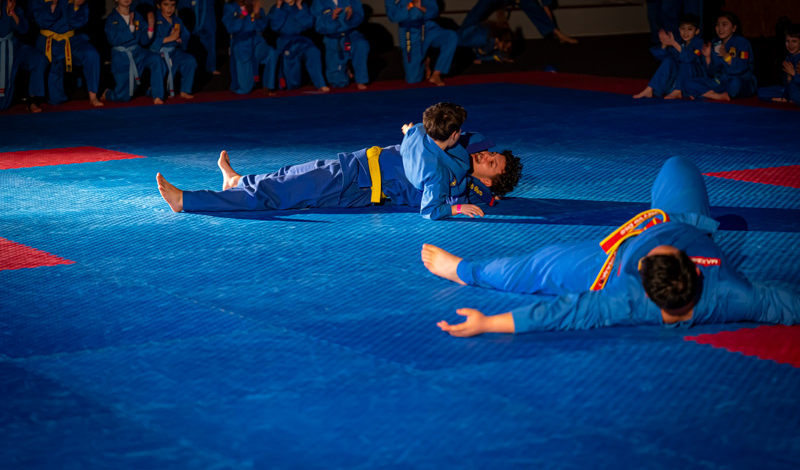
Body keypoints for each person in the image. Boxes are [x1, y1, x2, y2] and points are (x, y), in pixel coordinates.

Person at [424, 156, 800, 336]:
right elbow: (786, 304)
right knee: (678, 165)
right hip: (682, 221)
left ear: (642, 283)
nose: (663, 246)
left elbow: (561, 313)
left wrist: (487, 323)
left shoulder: (624, 298)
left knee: (538, 265)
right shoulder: (734, 294)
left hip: (609, 260)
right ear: (695, 271)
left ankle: (462, 270)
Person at [155, 134, 521, 214]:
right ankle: (236, 182)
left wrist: (461, 205)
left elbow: (437, 203)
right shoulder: (457, 156)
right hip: (359, 175)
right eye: (492, 154)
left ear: (487, 180)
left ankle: (187, 201)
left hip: (357, 180)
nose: (486, 155)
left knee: (282, 190)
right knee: (288, 178)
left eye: (492, 163)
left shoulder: (456, 184)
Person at [30, 0, 103, 107]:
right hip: (49, 42)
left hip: (71, 40)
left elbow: (80, 21)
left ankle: (93, 95)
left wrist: (75, 6)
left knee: (91, 54)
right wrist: (52, 7)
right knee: (56, 100)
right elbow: (40, 20)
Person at [385, 0, 457, 86]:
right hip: (409, 32)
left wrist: (421, 7)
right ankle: (425, 61)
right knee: (412, 79)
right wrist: (410, 5)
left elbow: (433, 10)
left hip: (426, 27)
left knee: (451, 36)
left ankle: (436, 74)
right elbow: (393, 16)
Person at [102, 0, 165, 104]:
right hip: (122, 57)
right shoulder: (111, 19)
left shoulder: (137, 16)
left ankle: (157, 95)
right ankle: (108, 93)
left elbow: (144, 40)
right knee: (123, 97)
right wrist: (130, 27)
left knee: (156, 58)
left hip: (138, 53)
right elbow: (112, 39)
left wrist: (151, 27)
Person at [310, 0, 369, 89]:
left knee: (361, 44)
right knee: (338, 83)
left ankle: (361, 79)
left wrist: (350, 17)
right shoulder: (318, 2)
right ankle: (345, 69)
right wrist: (331, 19)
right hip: (333, 39)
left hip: (350, 34)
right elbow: (318, 27)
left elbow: (360, 15)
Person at [267, 0, 328, 92]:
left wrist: (299, 6)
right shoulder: (276, 8)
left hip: (301, 41)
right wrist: (279, 7)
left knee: (314, 52)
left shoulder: (302, 6)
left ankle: (320, 83)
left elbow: (309, 24)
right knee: (293, 84)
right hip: (285, 42)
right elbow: (274, 27)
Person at [0, 0, 47, 112]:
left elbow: (23, 28)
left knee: (38, 59)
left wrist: (12, 12)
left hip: (13, 47)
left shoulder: (9, 1)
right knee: (2, 104)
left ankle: (33, 100)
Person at [682, 12, 756, 101]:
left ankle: (705, 94)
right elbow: (711, 73)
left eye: (724, 24)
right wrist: (708, 57)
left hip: (739, 80)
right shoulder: (715, 43)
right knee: (687, 82)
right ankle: (716, 96)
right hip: (720, 82)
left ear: (734, 28)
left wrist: (726, 56)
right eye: (718, 24)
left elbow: (742, 68)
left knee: (734, 84)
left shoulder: (741, 42)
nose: (720, 28)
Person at [222, 0, 277, 95]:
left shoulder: (254, 6)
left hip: (256, 42)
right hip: (241, 45)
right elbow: (231, 28)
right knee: (245, 89)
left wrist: (256, 14)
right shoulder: (229, 8)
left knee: (272, 53)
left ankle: (268, 85)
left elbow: (261, 27)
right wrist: (244, 13)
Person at [633, 14, 705, 99]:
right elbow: (663, 59)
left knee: (686, 62)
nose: (685, 32)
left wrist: (674, 44)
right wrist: (664, 45)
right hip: (677, 80)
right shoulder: (680, 42)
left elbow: (690, 57)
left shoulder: (699, 43)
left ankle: (678, 91)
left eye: (690, 29)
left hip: (694, 78)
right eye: (682, 29)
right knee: (668, 60)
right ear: (679, 29)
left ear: (697, 31)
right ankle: (650, 88)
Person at [151, 0, 196, 98]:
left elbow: (186, 34)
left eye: (173, 5)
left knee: (190, 60)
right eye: (166, 4)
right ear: (158, 5)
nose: (170, 8)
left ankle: (185, 90)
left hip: (174, 52)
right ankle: (152, 91)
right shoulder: (154, 20)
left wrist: (180, 39)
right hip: (159, 53)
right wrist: (170, 38)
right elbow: (150, 39)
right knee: (162, 72)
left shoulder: (177, 20)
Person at [757, 23, 800, 104]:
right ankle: (786, 99)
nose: (790, 45)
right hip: (788, 89)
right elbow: (786, 82)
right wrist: (789, 78)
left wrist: (793, 74)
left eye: (794, 41)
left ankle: (789, 98)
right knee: (761, 92)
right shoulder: (789, 57)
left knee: (794, 90)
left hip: (796, 89)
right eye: (787, 41)